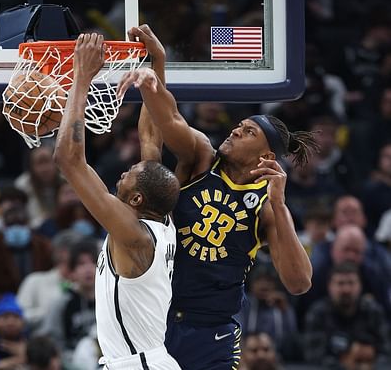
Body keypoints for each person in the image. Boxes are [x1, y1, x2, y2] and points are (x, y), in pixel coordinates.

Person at [117, 24, 316, 370]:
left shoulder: (267, 206)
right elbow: (168, 119)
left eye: (248, 131)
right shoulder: (201, 158)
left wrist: (280, 206)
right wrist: (156, 68)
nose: (236, 130)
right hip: (158, 314)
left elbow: (299, 283)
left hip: (213, 331)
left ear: (266, 157)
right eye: (239, 125)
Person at [53, 33, 181, 369]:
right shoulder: (159, 222)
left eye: (129, 173)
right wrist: (156, 65)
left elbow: (69, 161)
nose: (122, 173)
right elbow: (152, 137)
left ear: (137, 198)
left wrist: (82, 76)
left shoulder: (134, 234)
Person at [304, 262, 390, 367]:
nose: (346, 289)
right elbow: (313, 356)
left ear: (360, 286)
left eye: (351, 283)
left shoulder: (373, 311)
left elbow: (387, 351)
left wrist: (371, 364)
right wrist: (346, 363)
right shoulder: (318, 313)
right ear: (329, 286)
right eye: (340, 283)